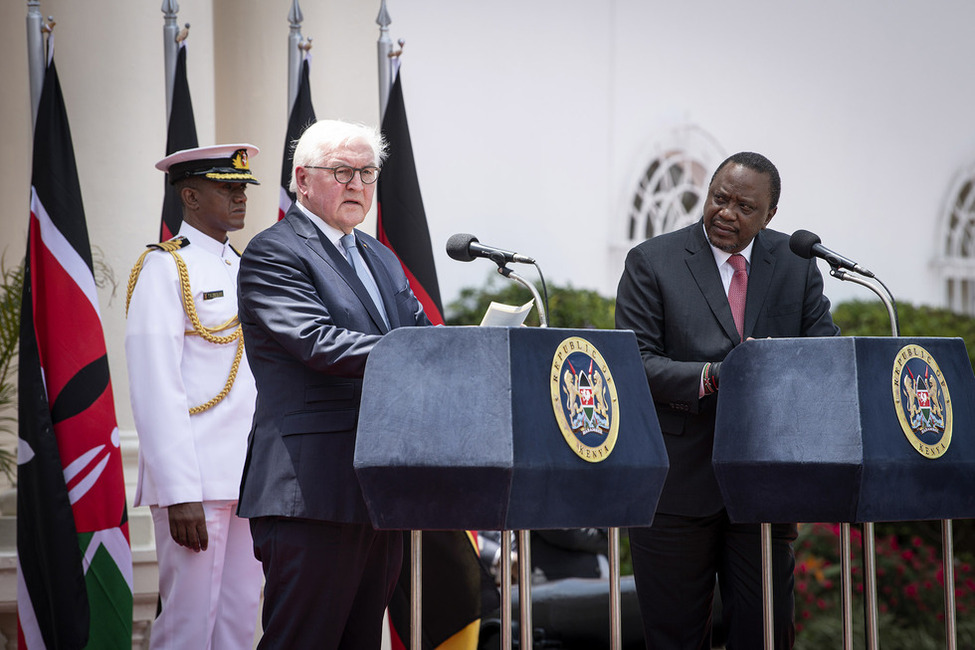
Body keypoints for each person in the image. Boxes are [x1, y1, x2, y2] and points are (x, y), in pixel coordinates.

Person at [615, 151, 840, 649]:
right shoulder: (653, 261)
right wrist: (716, 376)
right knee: (675, 637)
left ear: (769, 215)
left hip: (763, 486)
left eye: (743, 206)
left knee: (766, 635)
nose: (726, 213)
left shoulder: (797, 265)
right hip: (676, 485)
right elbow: (634, 362)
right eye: (719, 199)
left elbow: (823, 357)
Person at [236, 119, 431, 649]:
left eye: (368, 173)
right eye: (342, 171)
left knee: (359, 641)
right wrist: (427, 352)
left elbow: (418, 332)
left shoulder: (379, 256)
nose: (358, 185)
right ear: (302, 179)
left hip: (378, 485)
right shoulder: (274, 252)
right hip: (311, 490)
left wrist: (460, 351)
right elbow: (318, 343)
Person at [125, 144, 264, 649]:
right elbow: (155, 387)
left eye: (242, 186)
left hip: (250, 477)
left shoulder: (247, 266)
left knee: (237, 622)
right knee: (187, 626)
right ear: (189, 195)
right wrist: (179, 491)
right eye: (225, 186)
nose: (239, 196)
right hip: (197, 482)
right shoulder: (165, 268)